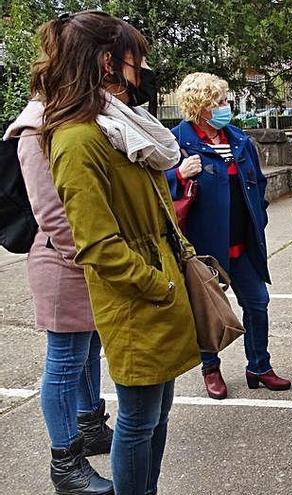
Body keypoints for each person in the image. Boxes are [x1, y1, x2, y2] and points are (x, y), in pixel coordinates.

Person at [33, 11, 201, 495]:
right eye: (136, 58)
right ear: (107, 62)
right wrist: (160, 284)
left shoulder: (119, 125)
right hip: (135, 298)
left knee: (158, 414)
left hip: (160, 286)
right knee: (138, 419)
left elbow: (157, 209)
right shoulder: (78, 137)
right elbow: (97, 245)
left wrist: (182, 263)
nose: (143, 67)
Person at [4, 102, 113, 494]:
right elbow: (52, 214)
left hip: (86, 259)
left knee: (88, 350)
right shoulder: (35, 128)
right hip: (64, 260)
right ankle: (66, 465)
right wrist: (101, 256)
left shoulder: (74, 117)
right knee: (65, 361)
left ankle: (92, 427)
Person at [166, 72, 291, 399]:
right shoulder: (176, 142)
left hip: (243, 242)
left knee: (258, 303)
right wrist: (179, 173)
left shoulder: (238, 139)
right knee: (207, 312)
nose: (226, 106)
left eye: (225, 100)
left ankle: (259, 366)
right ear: (200, 107)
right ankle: (211, 367)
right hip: (204, 246)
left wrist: (259, 218)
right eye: (218, 102)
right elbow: (155, 187)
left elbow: (258, 184)